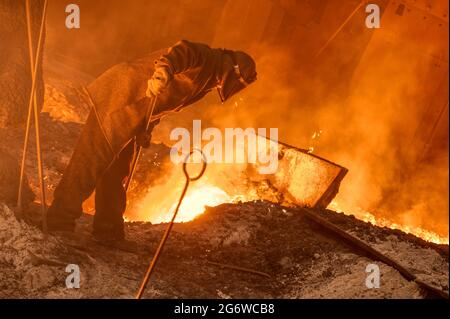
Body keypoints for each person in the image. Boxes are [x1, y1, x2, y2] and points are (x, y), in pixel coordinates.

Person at [46, 40, 257, 245]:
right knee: (90, 162)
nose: (224, 85)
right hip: (120, 98)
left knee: (116, 173)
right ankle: (58, 222)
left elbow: (164, 104)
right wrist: (163, 71)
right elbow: (181, 51)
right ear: (231, 71)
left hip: (135, 112)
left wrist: (146, 127)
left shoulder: (206, 82)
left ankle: (108, 232)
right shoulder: (205, 57)